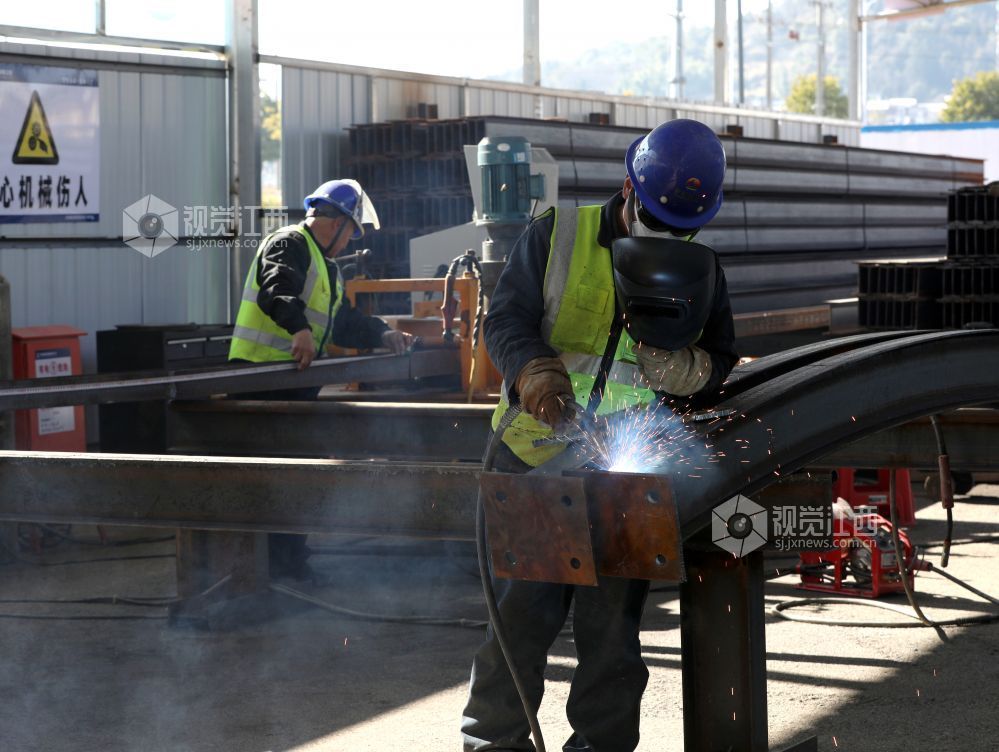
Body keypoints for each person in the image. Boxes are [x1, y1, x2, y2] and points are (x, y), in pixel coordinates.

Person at [462, 119, 738, 752]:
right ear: (628, 191)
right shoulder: (557, 234)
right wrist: (534, 370)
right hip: (535, 454)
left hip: (626, 467)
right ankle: (493, 742)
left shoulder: (702, 267)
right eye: (659, 219)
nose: (669, 237)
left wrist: (688, 370)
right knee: (522, 618)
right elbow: (503, 319)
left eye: (682, 228)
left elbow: (722, 358)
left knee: (613, 631)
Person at [228, 179, 413, 582]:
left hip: (293, 383)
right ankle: (269, 569)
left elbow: (342, 322)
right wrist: (299, 330)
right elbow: (276, 288)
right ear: (336, 221)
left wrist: (381, 332)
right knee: (271, 478)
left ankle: (289, 564)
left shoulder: (326, 268)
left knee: (294, 474)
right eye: (351, 233)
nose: (349, 244)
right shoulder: (288, 243)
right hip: (261, 382)